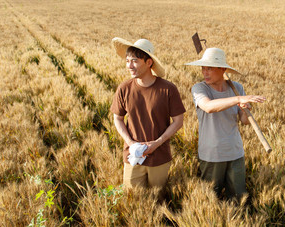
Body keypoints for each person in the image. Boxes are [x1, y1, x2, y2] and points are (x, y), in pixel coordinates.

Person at [185, 48, 266, 200]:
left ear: (222, 69)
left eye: (209, 68)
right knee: (209, 199)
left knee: (237, 198)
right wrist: (238, 100)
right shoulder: (200, 88)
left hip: (235, 152)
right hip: (211, 154)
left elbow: (244, 121)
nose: (205, 72)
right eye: (203, 68)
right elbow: (208, 107)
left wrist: (246, 109)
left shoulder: (237, 88)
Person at [110, 37, 186, 192]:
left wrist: (157, 143)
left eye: (135, 61)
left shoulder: (168, 89)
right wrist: (131, 143)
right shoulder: (124, 88)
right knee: (134, 201)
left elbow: (178, 121)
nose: (129, 66)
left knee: (158, 201)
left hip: (159, 158)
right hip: (132, 158)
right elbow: (117, 118)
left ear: (149, 62)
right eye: (127, 61)